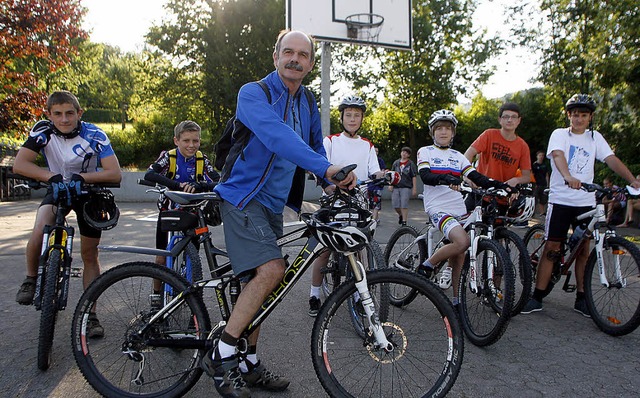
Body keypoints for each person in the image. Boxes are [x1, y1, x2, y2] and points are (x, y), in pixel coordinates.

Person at [203, 30, 356, 398]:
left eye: (303, 55)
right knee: (273, 270)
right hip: (242, 197)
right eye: (288, 52)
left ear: (310, 63)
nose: (295, 59)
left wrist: (331, 180)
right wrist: (327, 167)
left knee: (259, 285)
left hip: (272, 205)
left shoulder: (307, 103)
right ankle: (222, 353)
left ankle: (249, 362)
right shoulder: (253, 93)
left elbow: (314, 147)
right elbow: (276, 136)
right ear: (275, 57)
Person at [13, 90, 122, 338]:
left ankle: (91, 315)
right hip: (56, 188)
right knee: (41, 229)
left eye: (69, 113)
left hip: (89, 191)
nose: (64, 119)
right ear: (49, 115)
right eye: (58, 114)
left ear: (79, 113)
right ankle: (31, 278)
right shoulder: (42, 130)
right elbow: (21, 164)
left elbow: (114, 173)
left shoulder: (95, 134)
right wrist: (51, 177)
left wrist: (81, 178)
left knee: (89, 254)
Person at [521, 94, 640, 317]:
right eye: (575, 115)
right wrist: (567, 176)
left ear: (590, 117)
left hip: (586, 201)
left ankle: (582, 298)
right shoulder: (560, 134)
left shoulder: (595, 138)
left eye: (583, 115)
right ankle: (537, 296)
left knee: (584, 250)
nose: (578, 119)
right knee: (552, 248)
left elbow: (611, 159)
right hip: (562, 199)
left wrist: (632, 180)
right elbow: (557, 156)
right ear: (569, 115)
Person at [415, 110, 511, 301]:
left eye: (448, 129)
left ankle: (457, 300)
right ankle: (426, 265)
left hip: (458, 207)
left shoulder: (458, 156)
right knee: (462, 242)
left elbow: (476, 177)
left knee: (460, 252)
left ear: (453, 133)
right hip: (438, 207)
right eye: (439, 128)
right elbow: (425, 176)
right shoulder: (425, 151)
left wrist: (501, 185)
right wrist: (446, 177)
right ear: (432, 132)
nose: (443, 132)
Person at [307, 95, 384, 317]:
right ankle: (314, 294)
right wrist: (328, 186)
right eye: (348, 115)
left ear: (362, 119)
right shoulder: (330, 141)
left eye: (356, 115)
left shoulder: (367, 144)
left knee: (359, 250)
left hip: (358, 202)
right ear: (341, 117)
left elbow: (374, 171)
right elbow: (319, 167)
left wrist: (385, 176)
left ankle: (360, 296)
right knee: (325, 249)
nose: (352, 119)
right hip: (334, 201)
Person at [144, 120, 220, 305]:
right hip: (168, 211)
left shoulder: (202, 159)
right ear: (176, 140)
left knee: (192, 259)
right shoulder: (168, 157)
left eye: (195, 141)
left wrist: (200, 185)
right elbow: (149, 174)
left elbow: (220, 181)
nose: (191, 145)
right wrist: (177, 185)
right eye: (186, 141)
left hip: (193, 214)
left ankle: (192, 298)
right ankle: (156, 295)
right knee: (161, 257)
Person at [464, 102, 532, 226]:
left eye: (513, 117)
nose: (509, 120)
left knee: (497, 237)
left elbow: (527, 176)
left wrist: (516, 180)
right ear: (500, 120)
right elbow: (468, 154)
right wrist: (468, 176)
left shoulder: (522, 146)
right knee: (462, 232)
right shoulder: (489, 135)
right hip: (479, 192)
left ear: (519, 121)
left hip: (501, 196)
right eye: (506, 117)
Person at [389, 146, 417, 225]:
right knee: (395, 204)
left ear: (408, 155)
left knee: (404, 204)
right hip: (396, 186)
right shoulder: (396, 163)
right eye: (403, 152)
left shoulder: (410, 164)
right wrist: (390, 184)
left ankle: (404, 221)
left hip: (406, 186)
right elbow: (392, 174)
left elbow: (413, 176)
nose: (404, 153)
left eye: (406, 153)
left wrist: (414, 188)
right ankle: (400, 215)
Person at [367, 146, 387, 223]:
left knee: (376, 203)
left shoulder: (380, 161)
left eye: (377, 151)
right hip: (368, 185)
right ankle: (376, 218)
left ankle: (374, 220)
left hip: (377, 185)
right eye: (374, 151)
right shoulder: (367, 160)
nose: (375, 153)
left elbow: (383, 171)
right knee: (370, 204)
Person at [532, 150, 550, 216]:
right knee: (534, 199)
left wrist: (547, 184)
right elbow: (532, 174)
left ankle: (542, 212)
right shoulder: (534, 165)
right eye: (540, 155)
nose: (541, 157)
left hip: (543, 184)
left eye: (542, 155)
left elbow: (546, 175)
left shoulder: (544, 165)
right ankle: (532, 212)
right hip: (536, 184)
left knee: (543, 199)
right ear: (537, 156)